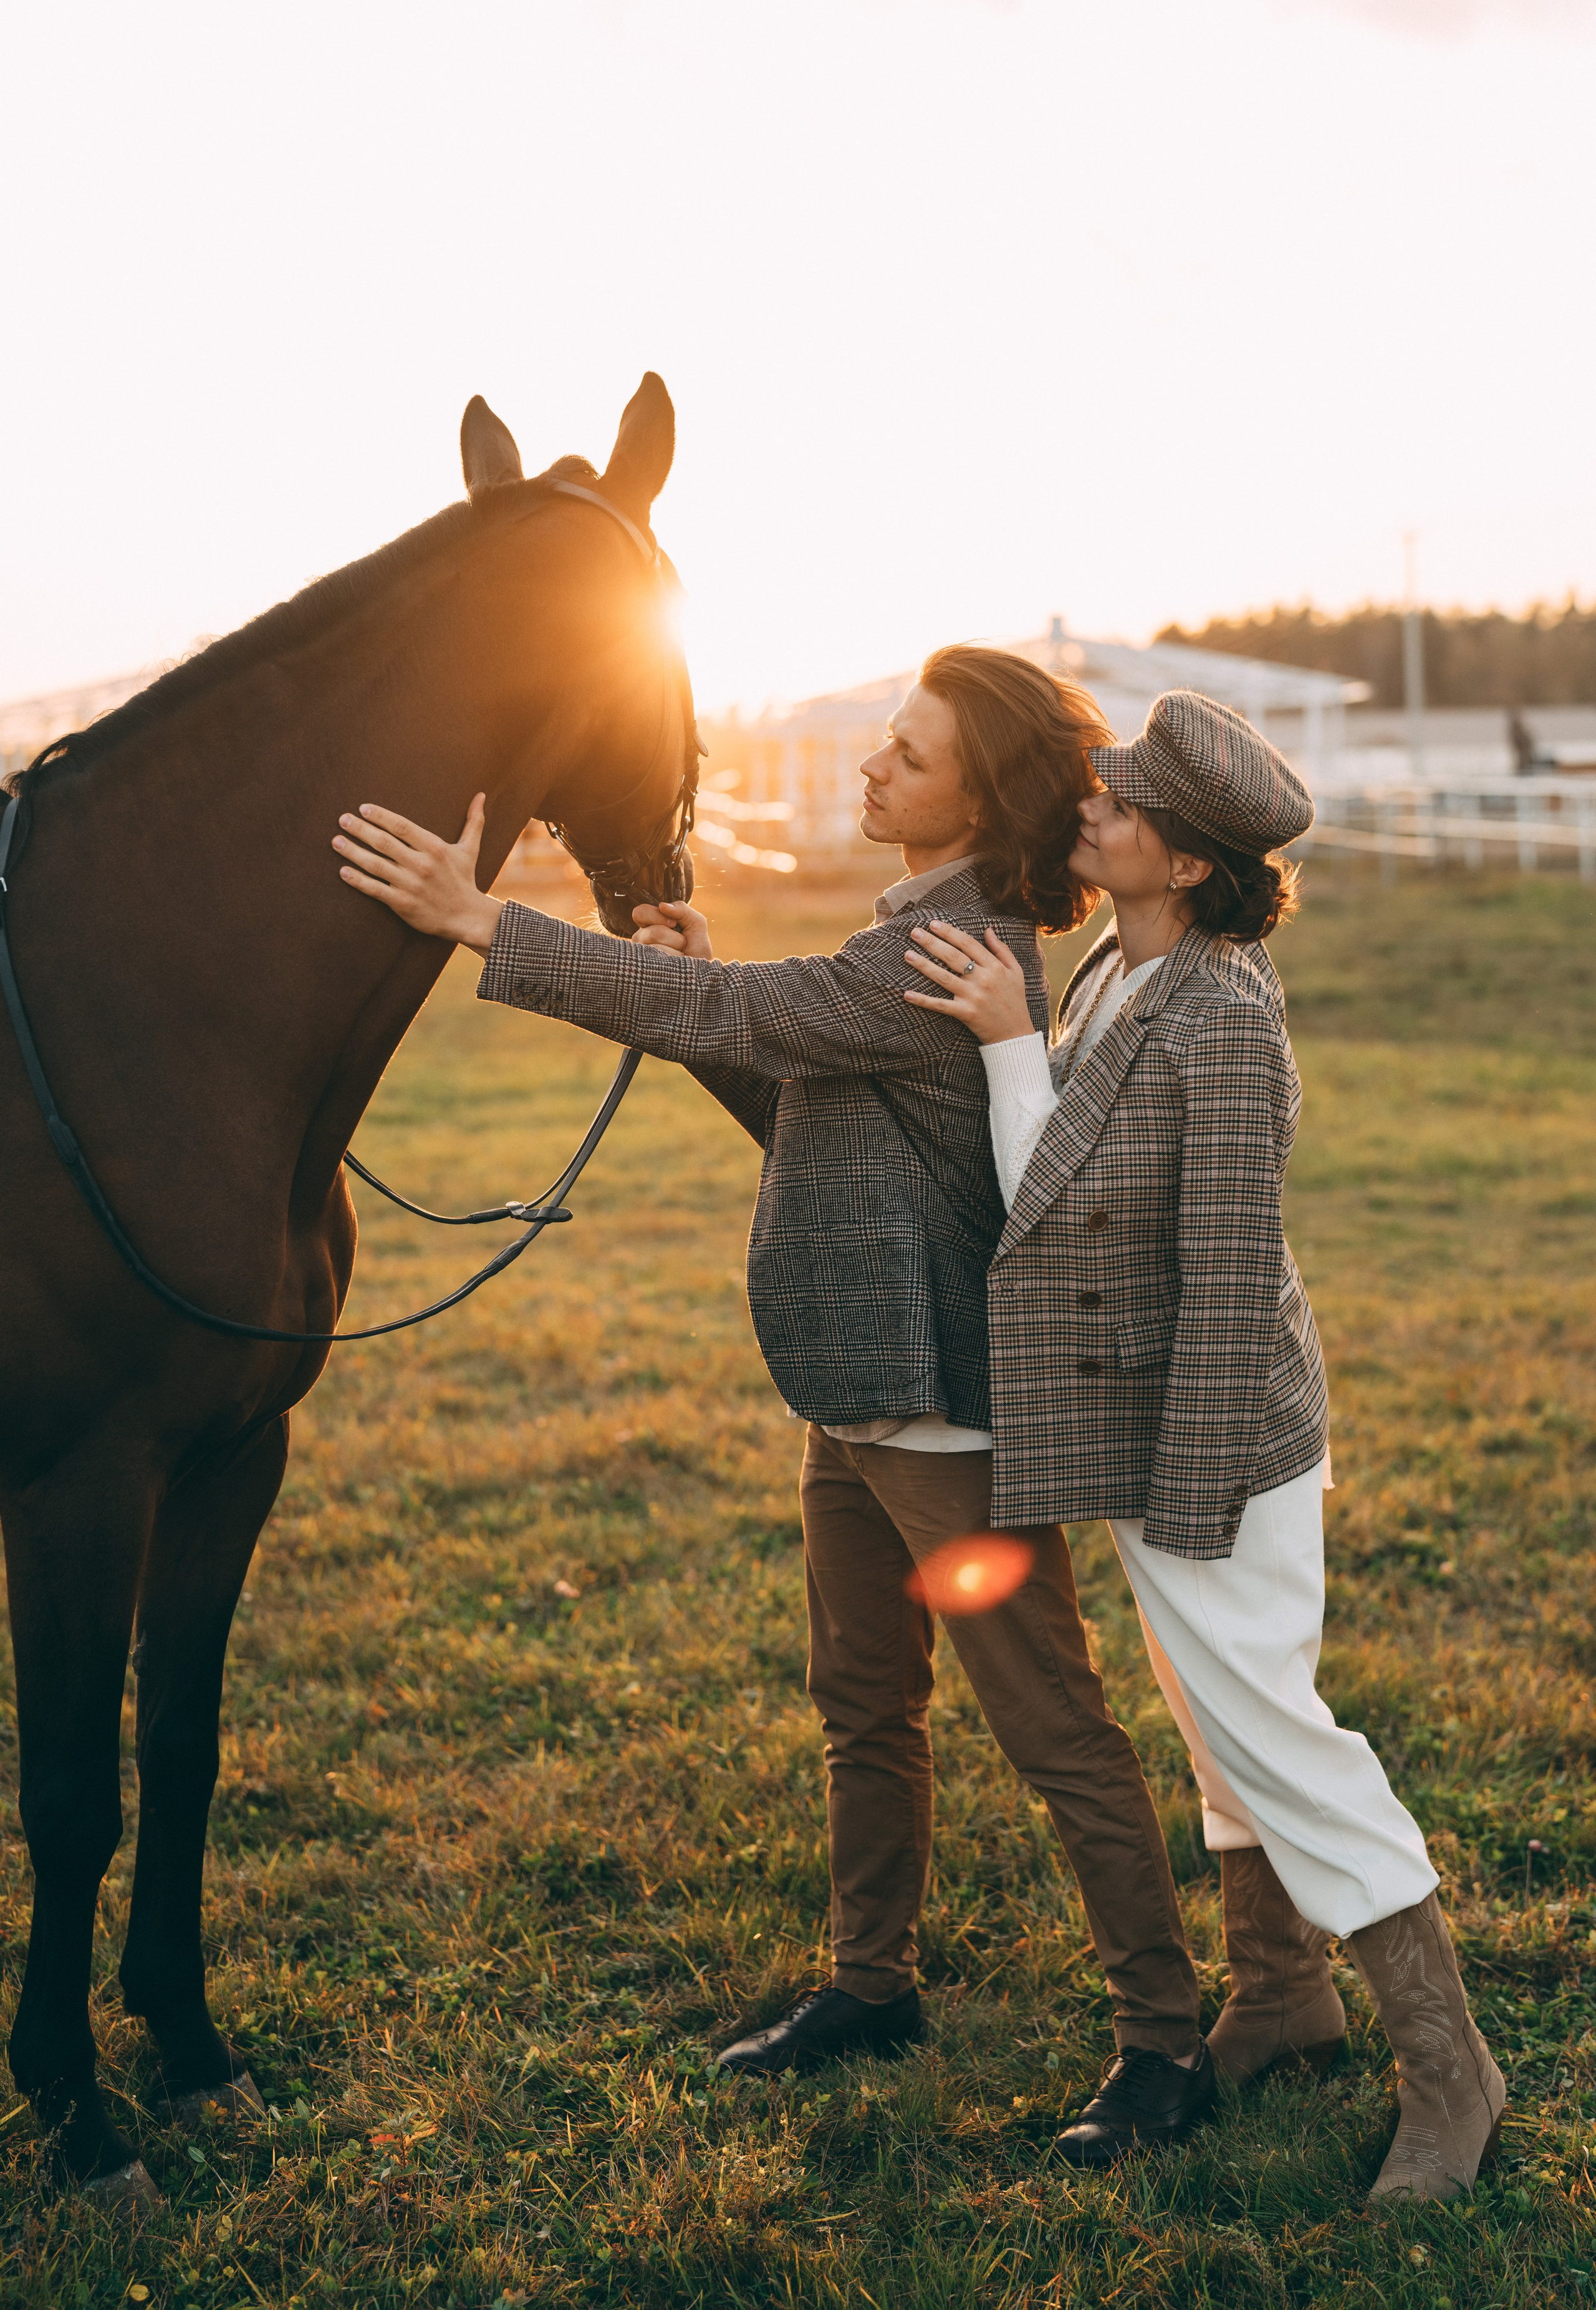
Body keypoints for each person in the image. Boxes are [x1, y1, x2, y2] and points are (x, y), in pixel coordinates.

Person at [330, 647, 1217, 2165]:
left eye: (908, 754)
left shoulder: (944, 953)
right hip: (854, 1401)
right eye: (884, 740)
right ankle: (870, 1987)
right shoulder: (906, 946)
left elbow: (763, 1017)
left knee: (1055, 1733)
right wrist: (700, 995)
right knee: (862, 1711)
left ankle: (1161, 2044)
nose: (874, 767)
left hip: (941, 1426)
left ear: (975, 802)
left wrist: (485, 922)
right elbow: (801, 1104)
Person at [895, 689, 1507, 2205]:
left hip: (1212, 1439)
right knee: (1217, 1717)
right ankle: (1279, 1996)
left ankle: (1450, 2070)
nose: (1089, 805)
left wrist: (998, 1050)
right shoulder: (1121, 958)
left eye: (1124, 802)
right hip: (1148, 1424)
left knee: (1280, 1738)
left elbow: (1229, 1277)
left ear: (1184, 861)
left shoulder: (1224, 1018)